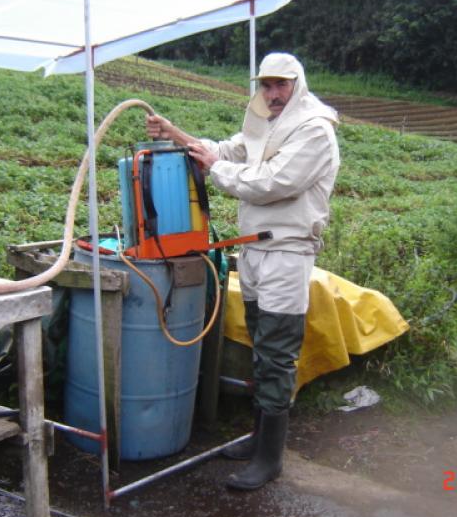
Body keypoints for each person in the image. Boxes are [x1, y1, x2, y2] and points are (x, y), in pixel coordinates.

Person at [145, 52, 340, 490]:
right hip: (252, 250)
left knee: (277, 350)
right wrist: (177, 134)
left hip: (286, 253)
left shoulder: (314, 131)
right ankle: (257, 439)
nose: (272, 94)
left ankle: (270, 458)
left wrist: (217, 169)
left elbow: (272, 182)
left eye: (281, 85)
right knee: (260, 342)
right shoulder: (264, 122)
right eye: (266, 85)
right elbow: (225, 150)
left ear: (298, 85)